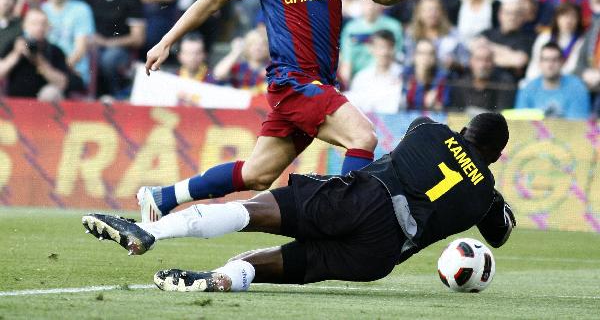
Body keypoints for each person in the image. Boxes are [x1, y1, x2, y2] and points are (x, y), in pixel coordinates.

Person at [137, 0, 421, 223]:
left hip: (319, 85)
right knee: (363, 136)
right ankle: (347, 218)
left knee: (256, 175)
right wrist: (167, 40)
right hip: (293, 82)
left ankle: (162, 197)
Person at [82, 112, 516, 292]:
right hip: (380, 255)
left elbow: (424, 142)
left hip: (364, 199)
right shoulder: (483, 198)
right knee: (283, 263)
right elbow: (501, 233)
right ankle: (226, 278)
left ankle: (150, 230)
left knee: (252, 211)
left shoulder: (428, 130)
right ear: (496, 155)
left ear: (464, 131)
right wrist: (489, 190)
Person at [83, 0, 145, 98]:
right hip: (92, 46)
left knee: (109, 59)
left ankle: (116, 96)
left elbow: (138, 38)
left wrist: (107, 42)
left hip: (120, 50)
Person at [0, 8, 69, 101]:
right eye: (34, 24)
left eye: (43, 24)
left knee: (51, 93)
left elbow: (62, 83)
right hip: (14, 102)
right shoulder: (13, 45)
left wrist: (39, 61)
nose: (39, 28)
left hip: (43, 104)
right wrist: (16, 54)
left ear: (48, 27)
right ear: (24, 26)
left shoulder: (55, 51)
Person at [515, 42, 590, 119]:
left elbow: (577, 126)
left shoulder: (577, 88)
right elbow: (521, 123)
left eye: (554, 60)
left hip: (567, 131)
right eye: (546, 60)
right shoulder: (528, 89)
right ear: (539, 63)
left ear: (562, 62)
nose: (550, 65)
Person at [346, 29, 404, 114]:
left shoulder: (402, 75)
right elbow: (354, 106)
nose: (384, 52)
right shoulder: (361, 77)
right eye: (380, 47)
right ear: (371, 49)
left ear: (394, 49)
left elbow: (397, 104)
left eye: (388, 47)